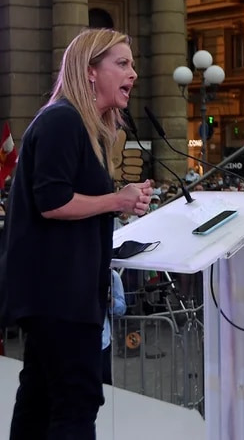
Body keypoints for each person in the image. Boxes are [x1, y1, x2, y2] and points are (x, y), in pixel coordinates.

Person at [0, 28, 152, 439]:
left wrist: (125, 201)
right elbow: (53, 201)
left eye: (132, 64)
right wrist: (116, 201)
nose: (133, 73)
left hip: (62, 296)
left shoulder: (83, 126)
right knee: (75, 404)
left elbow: (78, 202)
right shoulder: (63, 120)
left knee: (40, 400)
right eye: (122, 63)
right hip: (61, 296)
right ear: (89, 72)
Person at [101, 268, 126, 385]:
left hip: (102, 343)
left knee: (104, 388)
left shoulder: (112, 275)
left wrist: (110, 299)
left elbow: (121, 308)